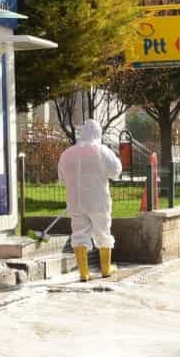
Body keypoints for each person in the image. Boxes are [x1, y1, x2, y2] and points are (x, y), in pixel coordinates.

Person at [57, 119, 122, 281]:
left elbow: (62, 179)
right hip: (98, 199)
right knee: (103, 231)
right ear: (98, 133)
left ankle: (84, 272)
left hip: (75, 201)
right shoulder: (101, 150)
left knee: (79, 233)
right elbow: (116, 171)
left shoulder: (67, 154)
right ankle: (106, 268)